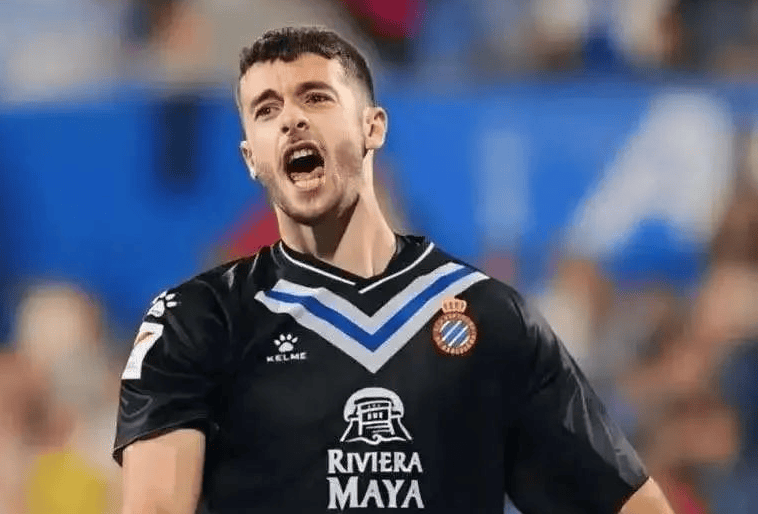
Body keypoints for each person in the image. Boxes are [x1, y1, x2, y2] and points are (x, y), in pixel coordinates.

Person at [113, 26, 675, 513]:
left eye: (316, 97)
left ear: (373, 128)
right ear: (251, 158)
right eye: (266, 109)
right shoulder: (194, 320)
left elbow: (629, 504)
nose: (291, 120)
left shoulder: (492, 318)